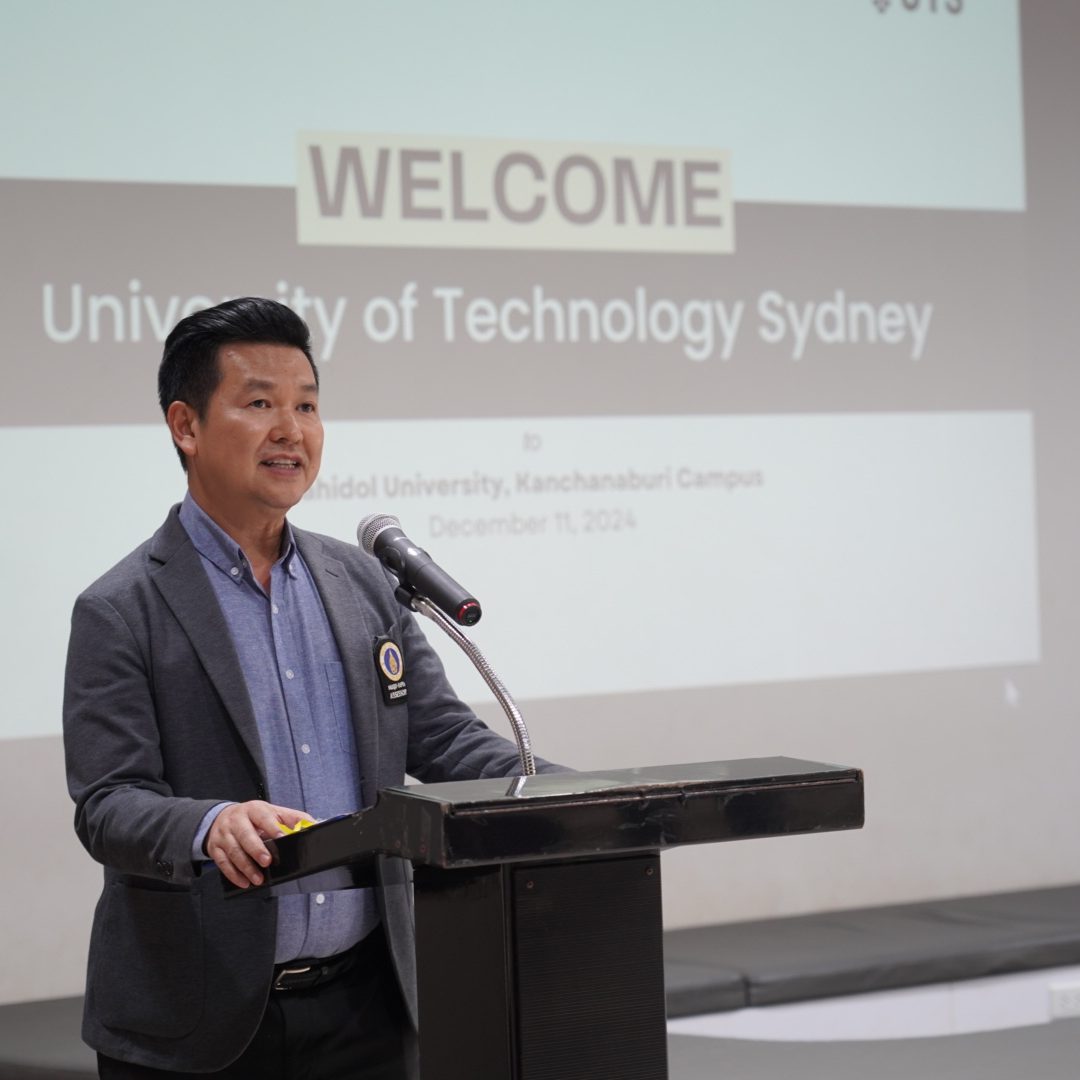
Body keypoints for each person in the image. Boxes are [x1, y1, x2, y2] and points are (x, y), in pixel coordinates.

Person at [63, 297, 558, 1079]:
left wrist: (567, 791)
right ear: (186, 426)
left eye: (306, 406)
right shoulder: (122, 608)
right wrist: (210, 824)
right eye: (260, 404)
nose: (291, 430)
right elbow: (108, 803)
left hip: (368, 1007)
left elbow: (442, 740)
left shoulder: (362, 583)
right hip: (198, 1017)